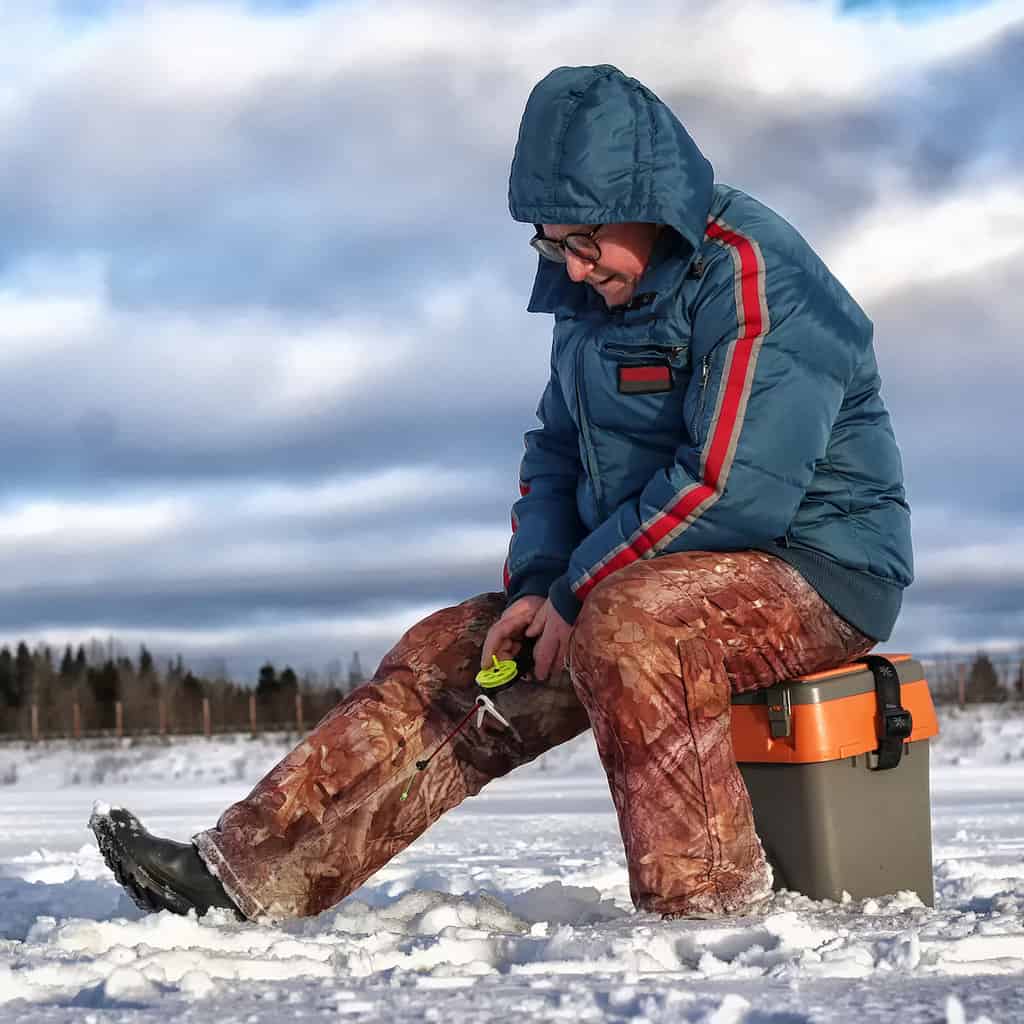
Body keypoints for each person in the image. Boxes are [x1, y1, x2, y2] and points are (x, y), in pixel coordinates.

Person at [91, 64, 912, 921]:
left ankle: (708, 916)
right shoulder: (587, 297)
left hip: (813, 570)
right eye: (554, 242)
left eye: (585, 238)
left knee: (636, 626)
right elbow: (558, 451)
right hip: (626, 574)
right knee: (454, 647)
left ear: (653, 204)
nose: (574, 263)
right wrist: (536, 585)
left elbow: (731, 488)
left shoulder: (752, 275)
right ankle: (241, 879)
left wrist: (575, 591)